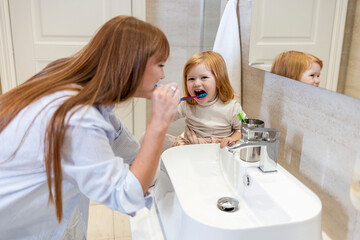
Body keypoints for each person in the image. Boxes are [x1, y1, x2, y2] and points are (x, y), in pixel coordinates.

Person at [0, 15, 180, 239]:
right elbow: (126, 196)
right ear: (133, 64)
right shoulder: (78, 118)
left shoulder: (76, 87)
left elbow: (127, 150)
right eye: (160, 65)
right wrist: (158, 123)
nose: (163, 75)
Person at [171, 51, 246, 149]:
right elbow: (167, 118)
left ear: (219, 80)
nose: (196, 83)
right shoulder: (187, 104)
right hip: (191, 148)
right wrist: (170, 105)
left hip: (217, 149)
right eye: (191, 79)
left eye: (204, 77)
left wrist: (231, 138)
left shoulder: (232, 108)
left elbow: (244, 129)